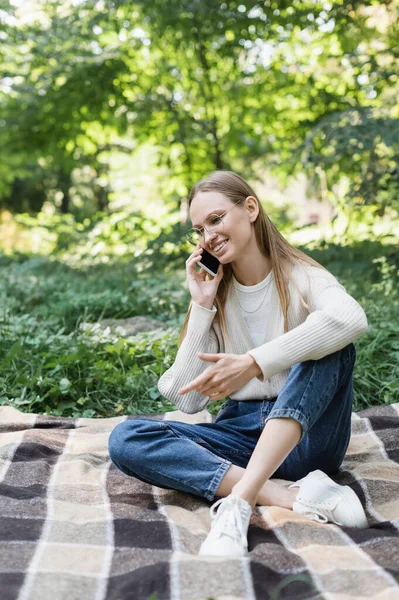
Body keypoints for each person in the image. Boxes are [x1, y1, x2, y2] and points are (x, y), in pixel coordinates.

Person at [108, 170, 370, 558]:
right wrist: (201, 305)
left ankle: (239, 501)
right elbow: (187, 400)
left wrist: (253, 363)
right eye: (199, 229)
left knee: (333, 345)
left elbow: (351, 319)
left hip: (309, 436)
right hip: (242, 436)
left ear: (250, 208)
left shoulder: (303, 277)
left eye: (215, 219)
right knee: (126, 439)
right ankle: (287, 495)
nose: (207, 235)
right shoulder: (218, 295)